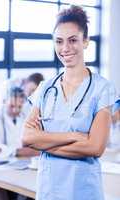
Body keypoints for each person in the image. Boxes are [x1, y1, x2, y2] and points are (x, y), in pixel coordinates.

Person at [22, 5, 117, 200]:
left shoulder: (102, 89)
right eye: (59, 41)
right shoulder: (45, 88)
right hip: (49, 191)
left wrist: (44, 143)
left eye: (73, 40)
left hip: (84, 191)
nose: (65, 48)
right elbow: (27, 138)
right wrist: (74, 136)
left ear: (86, 41)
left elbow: (95, 148)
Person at [0, 86, 38, 157]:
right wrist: (17, 151)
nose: (15, 110)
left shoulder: (24, 116)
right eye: (12, 106)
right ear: (4, 101)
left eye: (19, 107)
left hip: (21, 159)